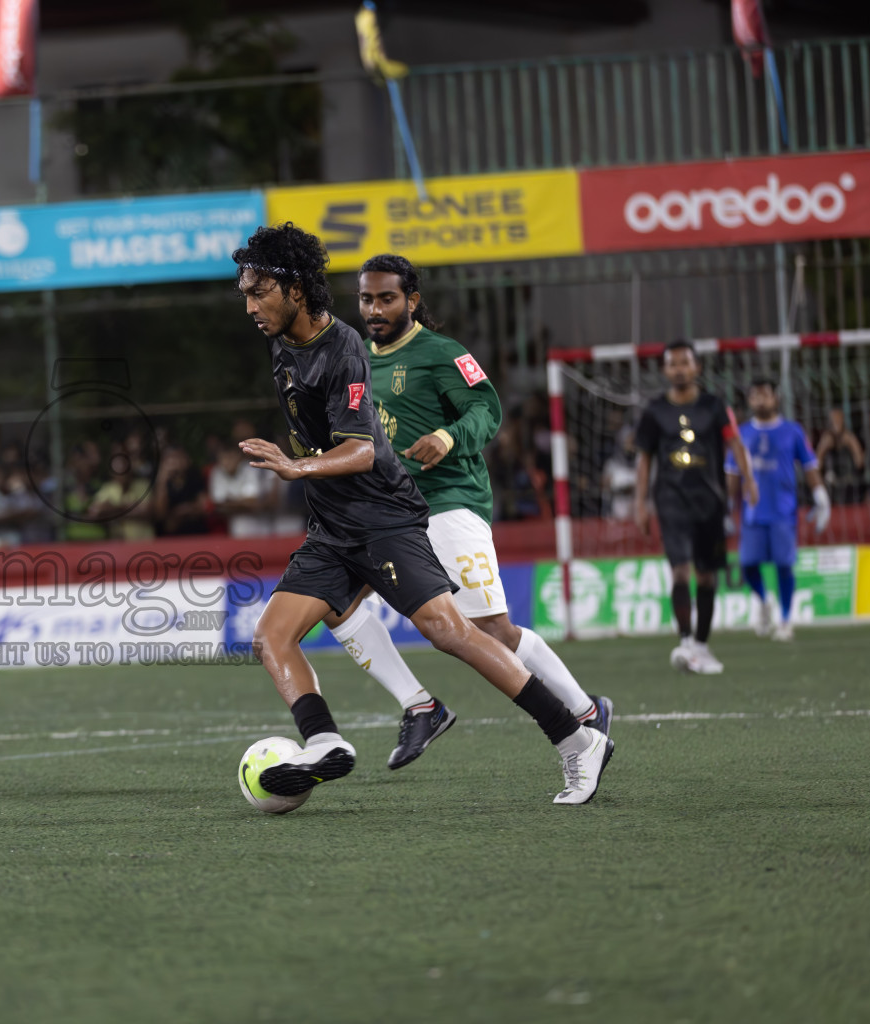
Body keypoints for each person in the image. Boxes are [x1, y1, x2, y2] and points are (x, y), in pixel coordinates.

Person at [232, 224, 611, 806]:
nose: (250, 305)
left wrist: (295, 468)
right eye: (245, 293)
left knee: (454, 631)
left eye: (258, 291)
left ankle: (573, 736)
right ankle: (328, 741)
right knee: (271, 636)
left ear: (295, 289)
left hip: (385, 515)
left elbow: (360, 449)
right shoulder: (281, 343)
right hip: (333, 527)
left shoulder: (347, 350)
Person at [334, 253, 612, 770]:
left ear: (412, 300)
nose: (374, 308)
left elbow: (487, 409)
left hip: (447, 502)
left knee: (492, 632)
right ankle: (420, 705)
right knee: (332, 597)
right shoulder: (355, 361)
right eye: (366, 298)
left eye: (387, 297)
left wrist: (448, 434)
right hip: (385, 510)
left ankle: (586, 709)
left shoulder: (442, 353)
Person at [633, 340, 758, 674]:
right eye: (672, 364)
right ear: (664, 370)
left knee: (706, 576)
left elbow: (735, 441)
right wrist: (640, 503)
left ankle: (702, 645)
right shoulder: (654, 411)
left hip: (709, 501)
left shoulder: (715, 406)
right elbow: (644, 459)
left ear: (696, 367)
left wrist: (750, 481)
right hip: (671, 500)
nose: (679, 369)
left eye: (684, 363)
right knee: (680, 570)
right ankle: (686, 641)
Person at [726, 378, 830, 641]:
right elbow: (732, 472)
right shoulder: (741, 434)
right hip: (751, 512)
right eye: (755, 396)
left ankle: (785, 620)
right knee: (748, 565)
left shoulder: (792, 431)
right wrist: (727, 506)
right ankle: (763, 601)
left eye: (765, 395)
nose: (760, 400)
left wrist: (821, 497)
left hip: (783, 511)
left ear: (776, 398)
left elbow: (809, 465)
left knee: (784, 566)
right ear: (749, 401)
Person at [814, 408, 865, 505]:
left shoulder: (849, 438)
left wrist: (852, 445)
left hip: (849, 486)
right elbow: (817, 466)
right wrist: (822, 449)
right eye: (832, 421)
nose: (835, 424)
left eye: (837, 421)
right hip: (831, 487)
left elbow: (859, 463)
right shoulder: (826, 439)